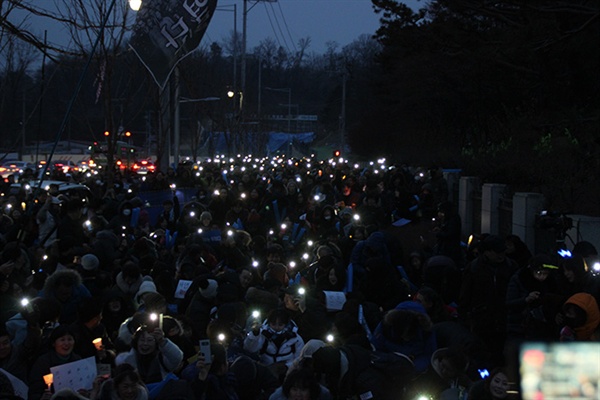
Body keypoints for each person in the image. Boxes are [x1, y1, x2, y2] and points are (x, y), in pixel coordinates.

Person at [244, 308, 304, 379]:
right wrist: (254, 335)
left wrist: (287, 366)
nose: (276, 327)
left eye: (280, 324)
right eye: (273, 324)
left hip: (288, 372)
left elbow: (299, 357)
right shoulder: (263, 334)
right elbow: (250, 349)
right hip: (267, 370)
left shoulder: (295, 338)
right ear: (269, 323)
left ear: (286, 324)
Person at [115, 325, 183, 384]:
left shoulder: (162, 359)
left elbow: (177, 357)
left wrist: (162, 341)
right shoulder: (126, 360)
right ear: (136, 342)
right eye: (142, 340)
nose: (145, 343)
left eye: (150, 340)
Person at [28, 325, 82, 400]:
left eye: (70, 339)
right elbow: (34, 389)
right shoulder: (43, 362)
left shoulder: (77, 360)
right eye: (62, 340)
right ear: (54, 343)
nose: (66, 343)